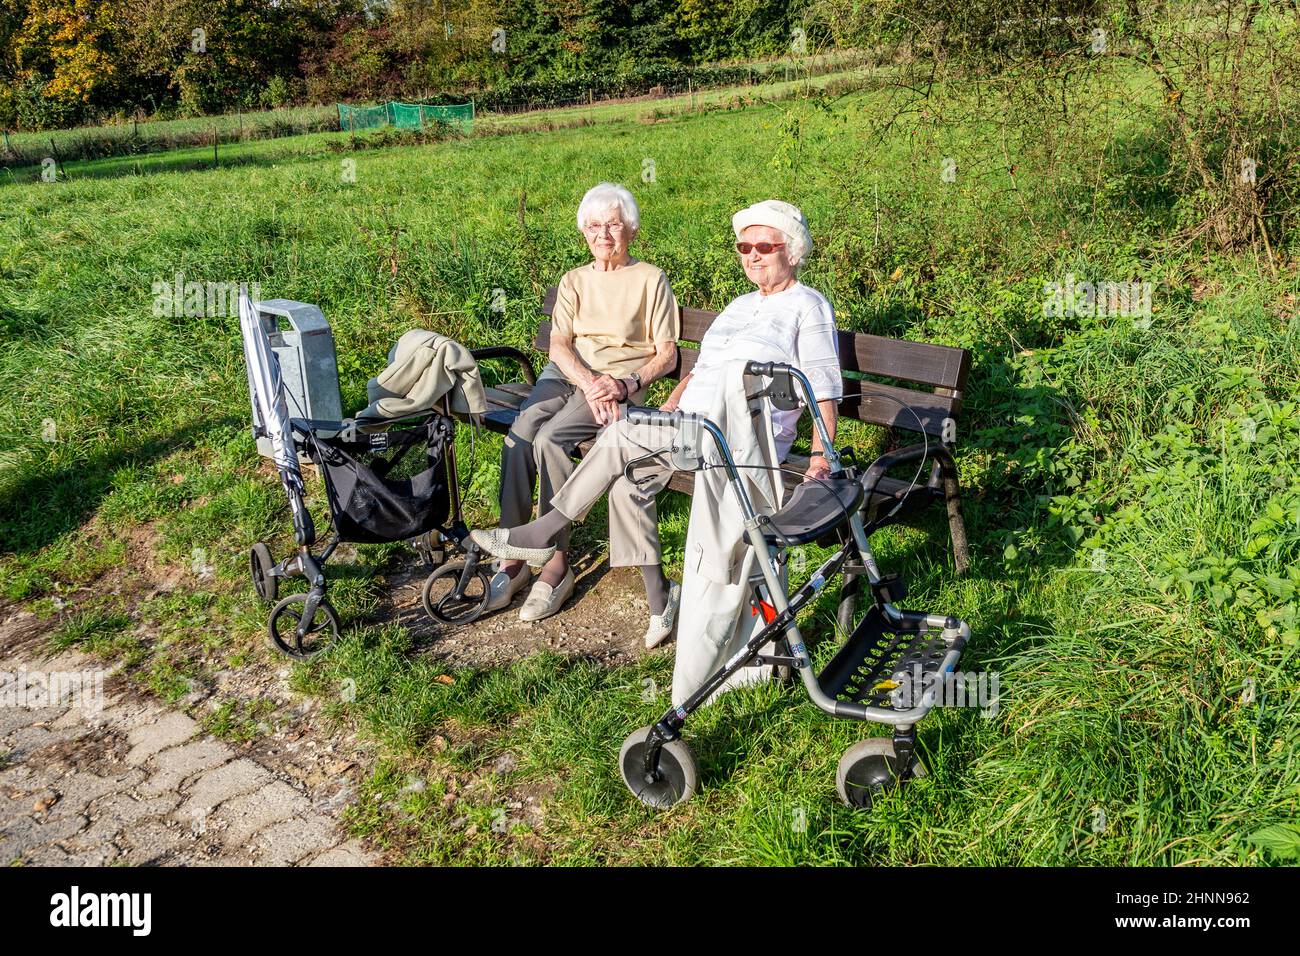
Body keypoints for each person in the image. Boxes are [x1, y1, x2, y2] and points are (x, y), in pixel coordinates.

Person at [472, 199, 842, 647]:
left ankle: (543, 532)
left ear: (793, 251)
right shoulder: (739, 306)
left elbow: (823, 385)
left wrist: (822, 455)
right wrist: (670, 405)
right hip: (690, 426)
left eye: (764, 246)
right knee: (629, 480)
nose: (752, 256)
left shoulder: (808, 306)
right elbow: (699, 369)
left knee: (621, 430)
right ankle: (659, 598)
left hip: (739, 437)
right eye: (744, 247)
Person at [486, 182, 680, 623]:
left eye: (612, 224)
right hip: (571, 376)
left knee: (551, 440)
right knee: (519, 437)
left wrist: (624, 384)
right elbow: (557, 346)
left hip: (618, 384)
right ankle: (512, 559)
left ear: (630, 227)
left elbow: (666, 355)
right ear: (583, 232)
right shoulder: (574, 280)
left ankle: (556, 562)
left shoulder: (651, 278)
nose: (603, 235)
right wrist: (589, 380)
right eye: (594, 226)